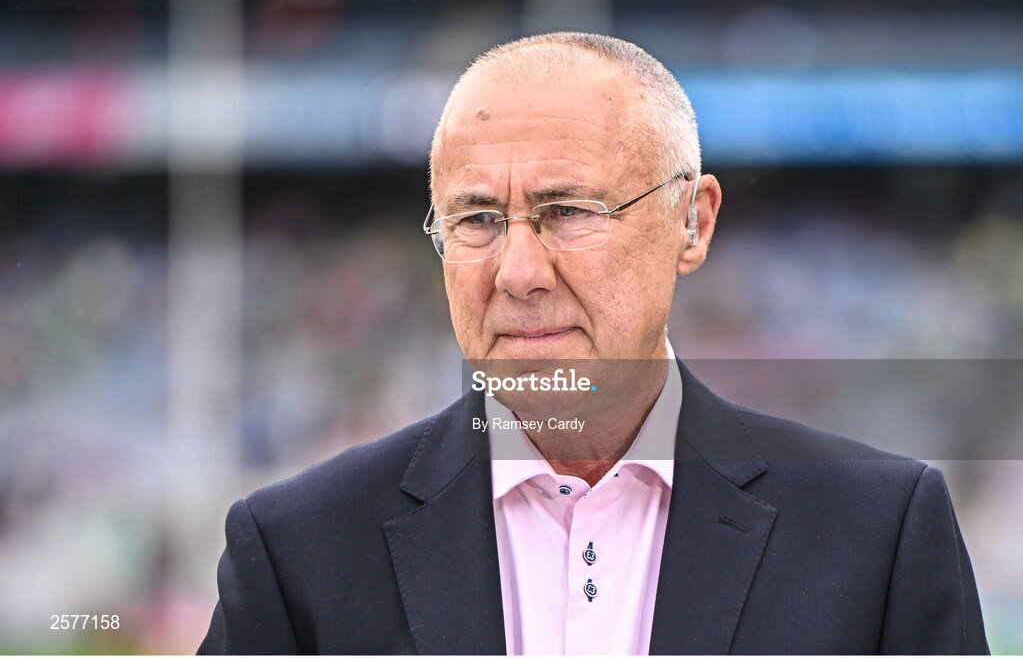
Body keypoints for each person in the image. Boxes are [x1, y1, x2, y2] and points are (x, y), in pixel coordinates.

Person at [198, 32, 988, 655]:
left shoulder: (877, 532)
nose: (517, 271)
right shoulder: (298, 549)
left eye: (568, 211)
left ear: (693, 221)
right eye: (476, 220)